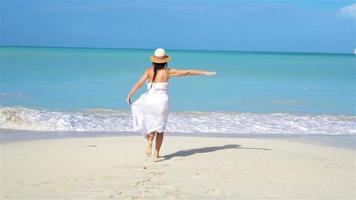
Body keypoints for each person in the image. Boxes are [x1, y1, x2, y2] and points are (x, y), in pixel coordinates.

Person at [127, 48, 216, 160]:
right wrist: (204, 72)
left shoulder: (149, 70)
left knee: (151, 124)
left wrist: (130, 94)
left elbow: (139, 83)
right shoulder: (168, 72)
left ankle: (149, 142)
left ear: (154, 60)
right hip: (161, 102)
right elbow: (187, 72)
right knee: (160, 127)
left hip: (149, 100)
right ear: (165, 61)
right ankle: (156, 153)